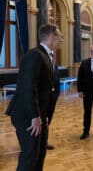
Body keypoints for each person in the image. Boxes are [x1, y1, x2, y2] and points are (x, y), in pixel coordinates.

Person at [5, 24, 63, 171]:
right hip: (27, 115)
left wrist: (44, 116)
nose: (61, 39)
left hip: (39, 114)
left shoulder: (46, 55)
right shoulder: (35, 55)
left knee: (40, 152)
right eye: (59, 36)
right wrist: (35, 116)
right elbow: (28, 88)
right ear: (51, 36)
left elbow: (46, 89)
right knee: (30, 157)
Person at [46, 52, 61, 150]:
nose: (52, 58)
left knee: (48, 119)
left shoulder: (55, 65)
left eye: (53, 56)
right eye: (51, 56)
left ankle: (44, 141)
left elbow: (57, 81)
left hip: (52, 97)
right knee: (42, 119)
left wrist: (56, 95)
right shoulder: (41, 65)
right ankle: (39, 142)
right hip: (43, 97)